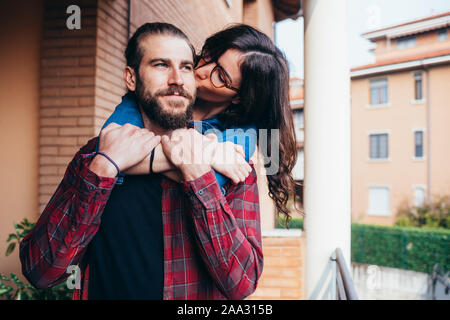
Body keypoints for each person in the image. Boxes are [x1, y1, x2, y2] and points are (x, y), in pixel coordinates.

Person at [19, 22, 298, 300]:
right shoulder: (97, 155)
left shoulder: (234, 164)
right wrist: (103, 169)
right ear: (131, 78)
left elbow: (241, 285)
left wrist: (198, 169)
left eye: (186, 67)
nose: (183, 76)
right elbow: (40, 271)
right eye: (161, 65)